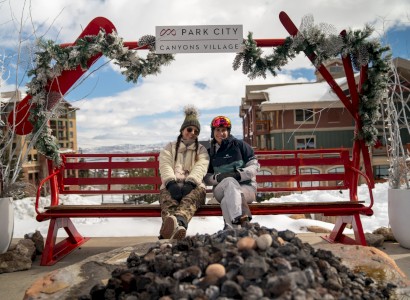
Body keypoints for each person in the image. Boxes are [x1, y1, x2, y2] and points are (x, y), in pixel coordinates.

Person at [158, 106, 209, 240]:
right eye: (189, 129)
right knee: (168, 200)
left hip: (195, 186)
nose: (192, 133)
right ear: (182, 130)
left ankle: (174, 227)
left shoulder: (201, 150)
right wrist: (170, 182)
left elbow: (201, 166)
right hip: (171, 185)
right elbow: (165, 164)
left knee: (190, 200)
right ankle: (176, 229)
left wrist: (191, 182)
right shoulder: (170, 147)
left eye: (196, 131)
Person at [204, 115, 259, 229]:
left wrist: (237, 175)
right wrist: (218, 178)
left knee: (226, 201)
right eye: (217, 130)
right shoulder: (210, 152)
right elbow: (206, 178)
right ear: (213, 132)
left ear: (228, 131)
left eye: (224, 130)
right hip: (221, 189)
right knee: (229, 181)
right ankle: (241, 218)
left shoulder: (240, 145)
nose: (221, 133)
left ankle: (231, 230)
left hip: (246, 188)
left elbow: (254, 167)